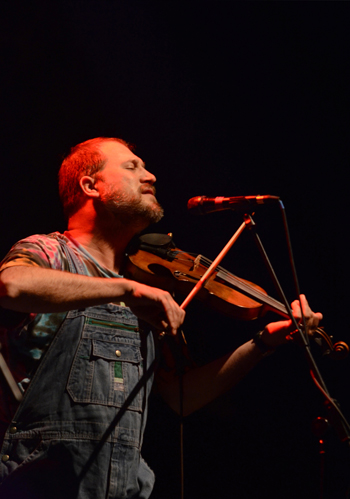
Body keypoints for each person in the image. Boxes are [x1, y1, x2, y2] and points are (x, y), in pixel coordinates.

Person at [0, 137, 322, 498]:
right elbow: (11, 285)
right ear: (91, 186)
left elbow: (182, 396)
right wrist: (125, 290)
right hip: (38, 484)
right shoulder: (50, 251)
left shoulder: (147, 286)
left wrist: (262, 342)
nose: (150, 176)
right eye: (132, 167)